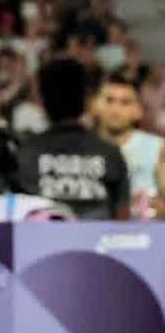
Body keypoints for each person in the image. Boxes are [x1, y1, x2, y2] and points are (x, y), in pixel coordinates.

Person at [18, 58, 129, 220]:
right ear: (86, 99)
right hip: (97, 236)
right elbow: (123, 218)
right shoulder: (110, 152)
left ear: (41, 100)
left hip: (41, 235)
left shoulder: (24, 152)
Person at [94, 70, 160, 219]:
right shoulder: (82, 147)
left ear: (138, 111)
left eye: (125, 102)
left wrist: (149, 204)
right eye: (109, 100)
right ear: (95, 105)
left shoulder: (159, 148)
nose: (115, 109)